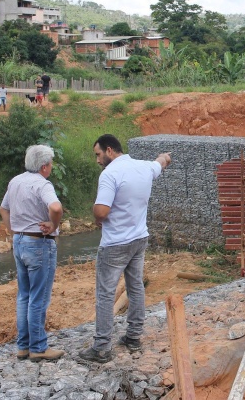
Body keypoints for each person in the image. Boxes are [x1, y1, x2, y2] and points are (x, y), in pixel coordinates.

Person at [78, 134, 172, 363]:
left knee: (105, 294)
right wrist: (165, 157)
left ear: (109, 150)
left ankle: (101, 348)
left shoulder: (110, 174)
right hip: (139, 239)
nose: (97, 160)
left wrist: (95, 213)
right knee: (136, 287)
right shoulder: (143, 167)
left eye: (98, 155)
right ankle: (133, 337)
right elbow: (160, 163)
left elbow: (101, 212)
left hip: (115, 244)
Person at [0, 145, 64, 362]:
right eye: (51, 163)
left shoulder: (15, 181)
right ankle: (38, 347)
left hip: (19, 242)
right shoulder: (42, 184)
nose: (51, 167)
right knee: (39, 297)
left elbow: (3, 208)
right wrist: (54, 226)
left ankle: (23, 346)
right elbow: (55, 208)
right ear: (44, 166)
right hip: (39, 244)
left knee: (24, 295)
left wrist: (13, 229)